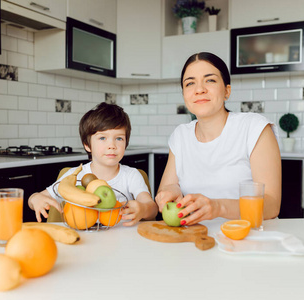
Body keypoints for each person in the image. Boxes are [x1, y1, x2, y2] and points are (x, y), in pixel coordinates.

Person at [155, 52, 281, 226]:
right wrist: (170, 192)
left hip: (249, 238)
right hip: (197, 240)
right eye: (190, 83)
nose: (199, 89)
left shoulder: (254, 128)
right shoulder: (180, 135)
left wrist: (218, 207)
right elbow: (167, 189)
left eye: (210, 80)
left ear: (227, 91)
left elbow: (272, 205)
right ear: (184, 94)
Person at [28, 102, 158, 226]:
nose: (112, 145)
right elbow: (37, 197)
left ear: (126, 143)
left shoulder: (131, 175)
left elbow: (152, 208)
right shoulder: (74, 177)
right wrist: (35, 199)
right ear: (87, 145)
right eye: (102, 138)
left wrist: (143, 209)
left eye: (119, 138)